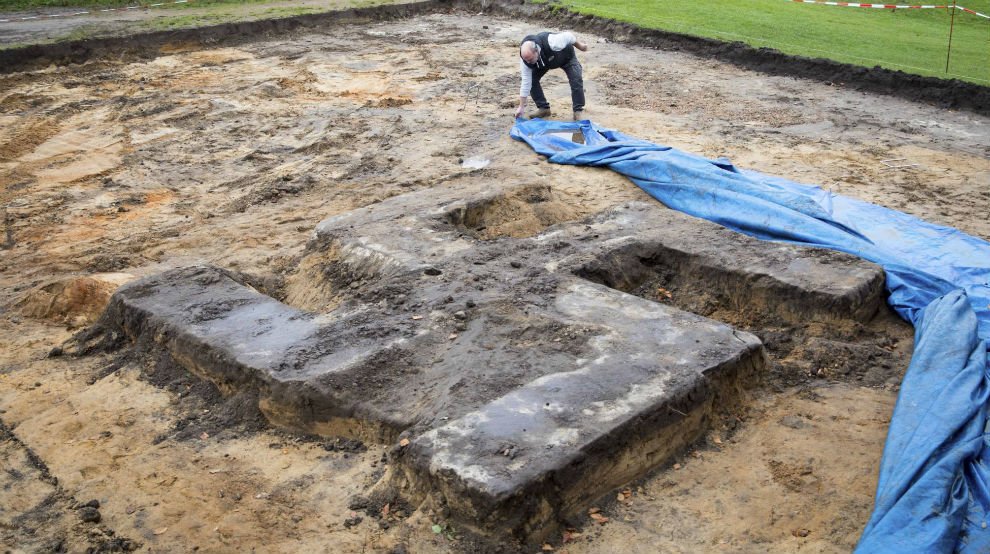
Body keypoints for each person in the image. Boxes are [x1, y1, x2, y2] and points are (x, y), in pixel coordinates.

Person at [515, 31, 588, 120]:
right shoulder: (526, 60)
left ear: (536, 51)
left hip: (566, 57)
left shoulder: (553, 42)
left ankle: (578, 111)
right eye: (526, 60)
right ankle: (543, 109)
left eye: (530, 59)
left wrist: (581, 46)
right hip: (543, 63)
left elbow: (569, 36)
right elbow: (526, 82)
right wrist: (521, 107)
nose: (528, 62)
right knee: (532, 80)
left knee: (576, 79)